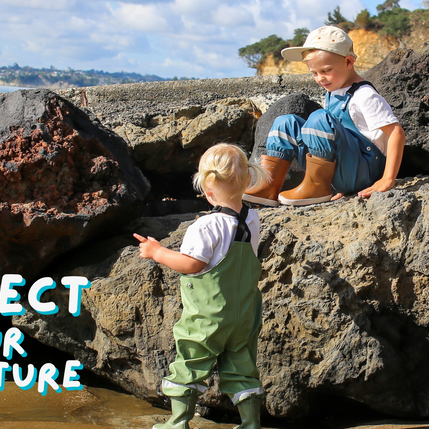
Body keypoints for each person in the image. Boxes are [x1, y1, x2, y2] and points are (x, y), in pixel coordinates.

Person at [134, 143, 268, 429]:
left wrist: (157, 252)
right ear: (247, 181)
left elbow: (191, 264)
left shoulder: (206, 226)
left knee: (191, 362)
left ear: (207, 191)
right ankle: (250, 423)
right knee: (242, 366)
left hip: (208, 317)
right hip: (244, 315)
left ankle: (178, 422)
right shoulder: (253, 220)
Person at [243, 25, 405, 207]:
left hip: (363, 172)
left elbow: (396, 133)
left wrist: (388, 179)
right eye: (314, 73)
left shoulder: (364, 95)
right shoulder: (335, 90)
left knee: (320, 118)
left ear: (349, 62)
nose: (320, 78)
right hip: (341, 172)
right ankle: (269, 186)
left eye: (326, 70)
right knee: (285, 122)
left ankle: (317, 188)